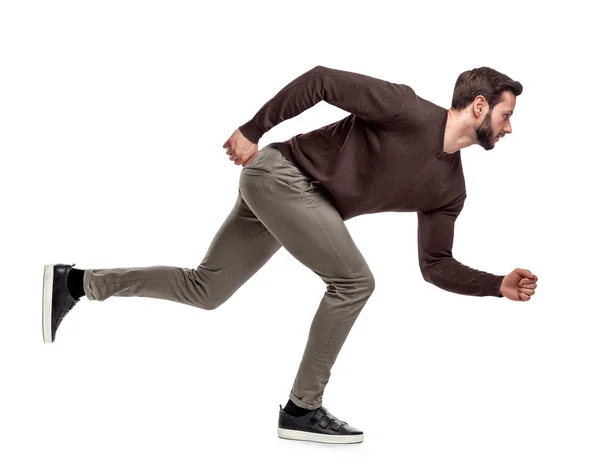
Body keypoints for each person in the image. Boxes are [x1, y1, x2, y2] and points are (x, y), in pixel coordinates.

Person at [42, 65, 538, 445]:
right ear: (479, 106)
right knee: (354, 283)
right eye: (506, 114)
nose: (510, 128)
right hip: (281, 174)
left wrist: (495, 284)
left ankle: (75, 281)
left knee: (207, 289)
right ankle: (302, 410)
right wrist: (253, 130)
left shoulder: (449, 188)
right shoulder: (406, 109)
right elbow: (321, 80)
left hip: (296, 200)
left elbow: (436, 266)